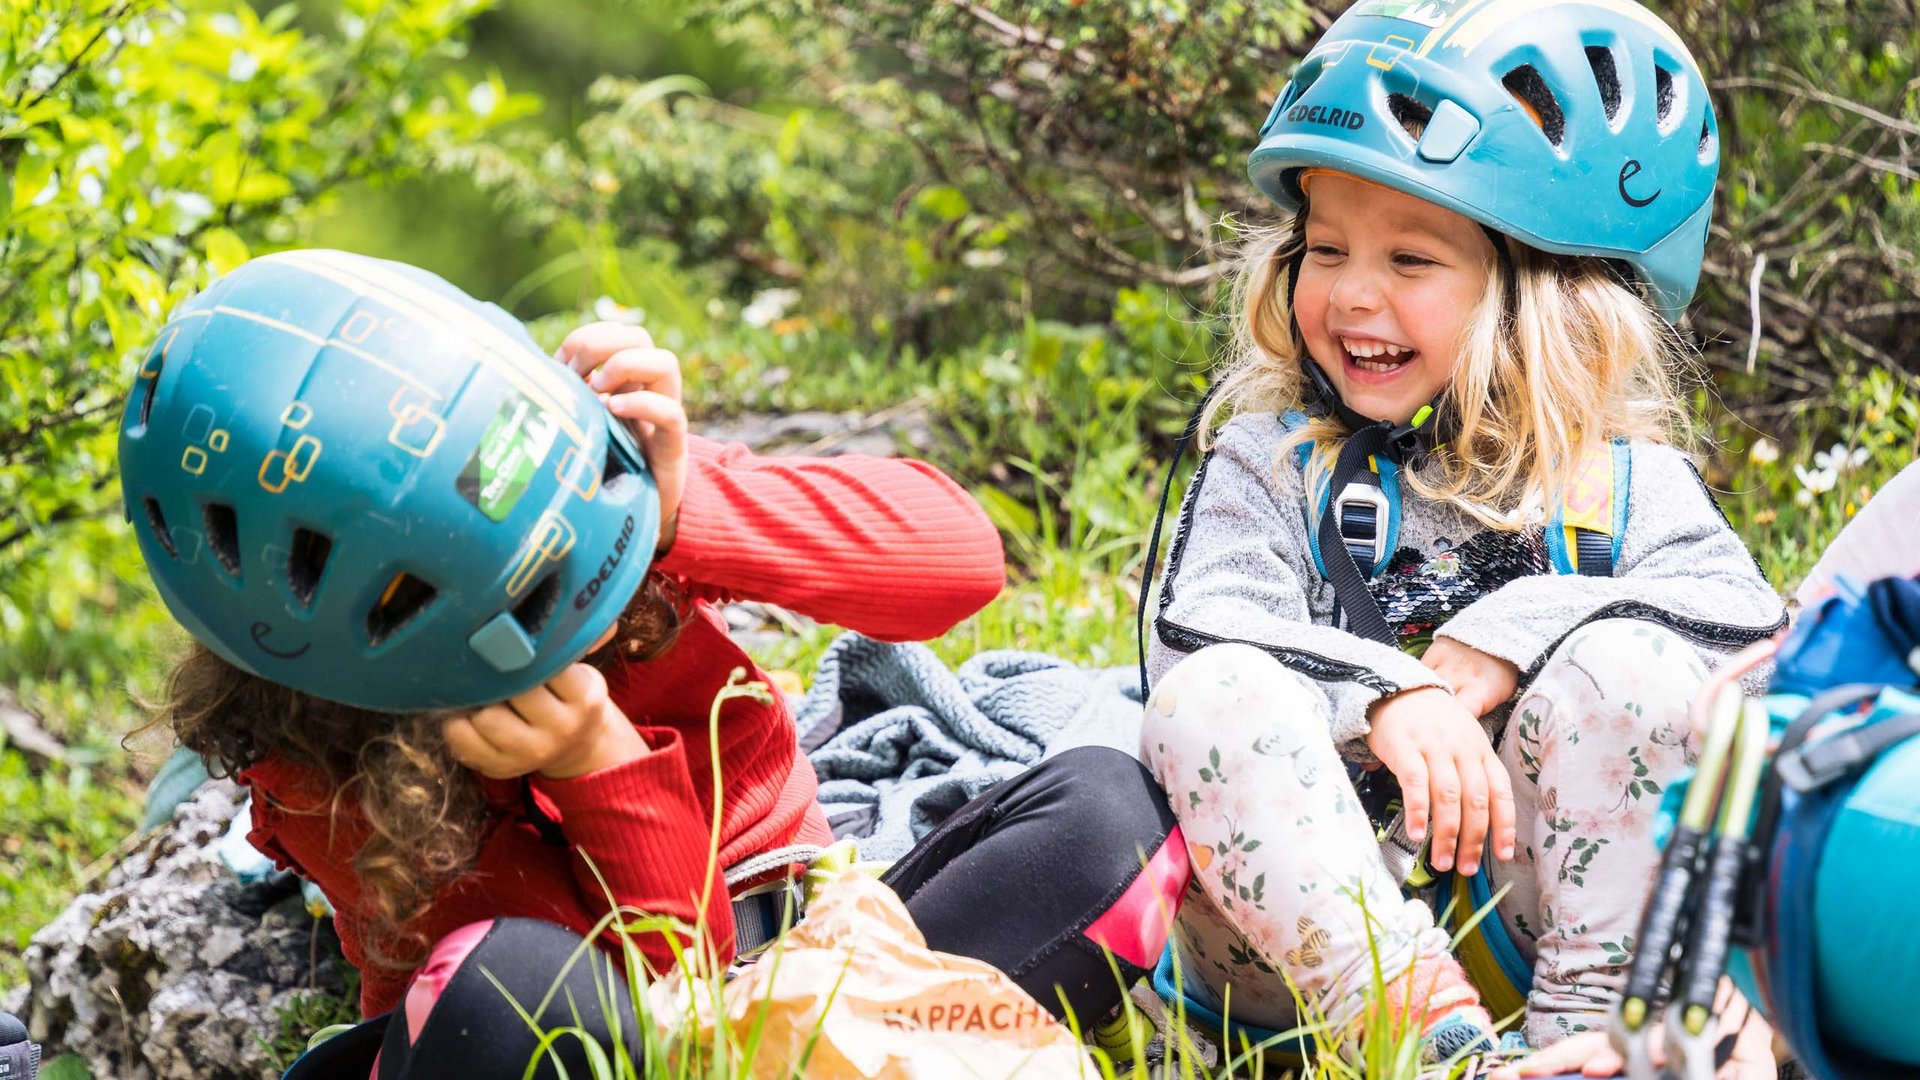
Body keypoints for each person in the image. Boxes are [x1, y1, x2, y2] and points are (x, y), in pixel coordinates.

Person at [123, 250, 1188, 1077]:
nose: (566, 593)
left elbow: (956, 564)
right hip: (629, 1012)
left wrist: (683, 509)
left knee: (1105, 811)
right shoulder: (342, 777)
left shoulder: (583, 498)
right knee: (491, 986)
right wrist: (599, 765)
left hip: (825, 957)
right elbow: (679, 1004)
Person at [1138, 0, 1787, 1073]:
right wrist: (1392, 694)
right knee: (1210, 692)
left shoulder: (1628, 487)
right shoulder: (1268, 463)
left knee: (1648, 672)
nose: (1350, 293)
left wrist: (1519, 628)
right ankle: (1431, 1044)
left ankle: (1586, 1045)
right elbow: (1198, 624)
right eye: (1327, 248)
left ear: (1553, 301)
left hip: (1525, 925)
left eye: (1412, 260)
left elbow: (1752, 634)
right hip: (1290, 958)